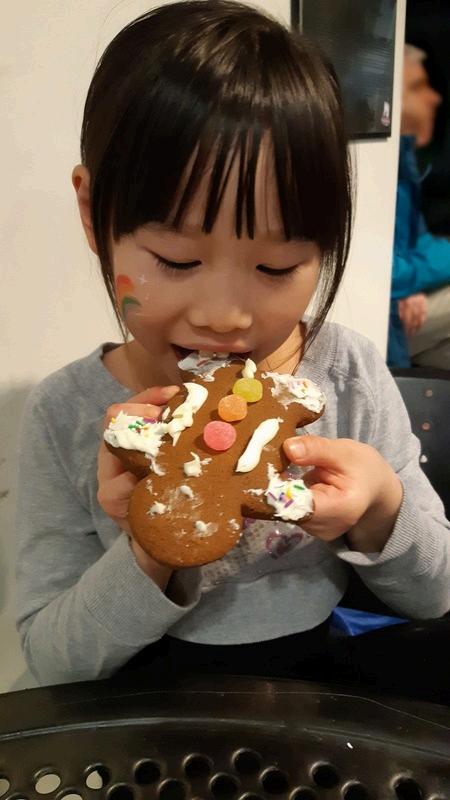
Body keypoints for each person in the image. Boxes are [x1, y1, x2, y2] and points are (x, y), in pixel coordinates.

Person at [15, 1, 450, 687]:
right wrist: (152, 543)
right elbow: (51, 661)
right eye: (177, 260)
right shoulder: (65, 412)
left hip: (315, 692)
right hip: (141, 707)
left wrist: (380, 506)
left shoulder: (349, 375)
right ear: (95, 214)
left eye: (276, 268)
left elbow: (438, 593)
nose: (224, 318)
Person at [388, 44, 450, 369]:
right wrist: (403, 287)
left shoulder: (402, 158)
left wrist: (409, 286)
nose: (434, 97)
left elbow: (418, 243)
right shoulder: (367, 163)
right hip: (384, 319)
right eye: (418, 87)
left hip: (407, 309)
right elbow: (378, 270)